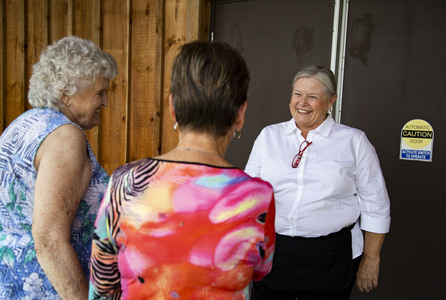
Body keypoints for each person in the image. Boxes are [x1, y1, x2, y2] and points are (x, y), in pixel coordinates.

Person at [88, 40, 276, 300]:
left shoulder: (125, 182)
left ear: (173, 107)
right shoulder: (258, 197)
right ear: (240, 114)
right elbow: (261, 269)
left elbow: (101, 284)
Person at [245, 65, 391, 300]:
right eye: (297, 94)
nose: (302, 102)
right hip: (275, 253)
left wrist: (371, 259)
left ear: (331, 101)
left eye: (312, 96)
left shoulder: (354, 141)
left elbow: (376, 205)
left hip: (330, 257)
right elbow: (249, 196)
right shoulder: (269, 136)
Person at [0, 36, 118, 299]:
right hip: (47, 288)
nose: (105, 102)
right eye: (100, 92)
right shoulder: (65, 137)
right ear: (66, 92)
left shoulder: (24, 123)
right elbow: (49, 242)